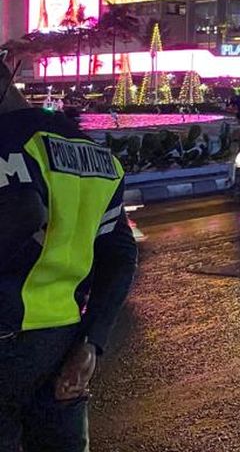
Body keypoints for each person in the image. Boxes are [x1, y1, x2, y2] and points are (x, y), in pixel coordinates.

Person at [0, 50, 138, 450]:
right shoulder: (94, 153)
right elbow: (119, 255)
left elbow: (22, 211)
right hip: (63, 342)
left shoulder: (7, 142)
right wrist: (92, 342)